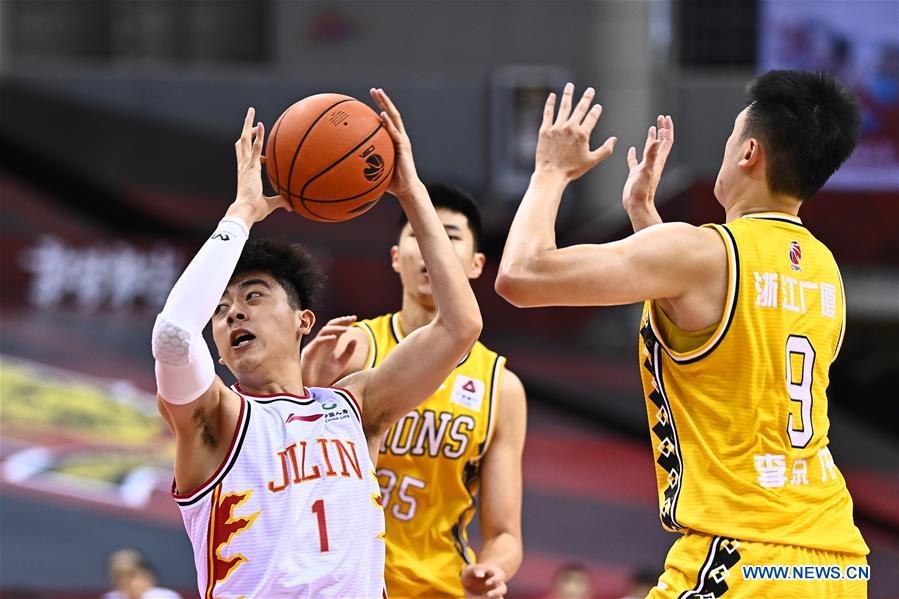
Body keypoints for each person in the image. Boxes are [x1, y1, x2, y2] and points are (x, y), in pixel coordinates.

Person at [495, 70, 869, 598]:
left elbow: (521, 276)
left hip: (742, 557)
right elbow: (724, 332)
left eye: (730, 138)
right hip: (834, 562)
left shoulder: (700, 251)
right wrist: (645, 219)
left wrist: (551, 172)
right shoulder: (824, 271)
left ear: (749, 153)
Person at [150, 88, 482, 597]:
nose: (233, 310)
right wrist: (241, 214)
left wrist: (411, 192)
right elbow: (174, 333)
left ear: (303, 320)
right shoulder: (216, 420)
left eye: (254, 295)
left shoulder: (355, 405)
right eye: (219, 309)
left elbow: (460, 327)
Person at [301, 183, 526, 599]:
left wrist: (493, 570)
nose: (430, 248)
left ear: (477, 264)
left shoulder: (501, 386)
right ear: (395, 258)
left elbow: (505, 534)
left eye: (448, 237)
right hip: (351, 579)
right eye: (419, 236)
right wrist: (307, 390)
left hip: (443, 586)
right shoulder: (351, 349)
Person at [101, 550, 181, 599]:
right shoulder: (111, 597)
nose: (125, 581)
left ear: (147, 576)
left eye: (131, 575)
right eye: (119, 576)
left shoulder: (166, 597)